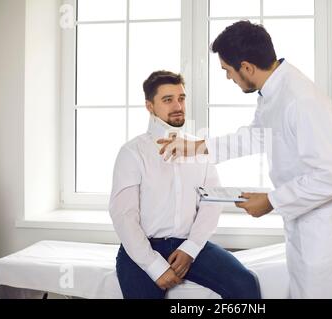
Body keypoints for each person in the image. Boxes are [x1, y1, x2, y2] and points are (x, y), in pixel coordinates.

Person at [158, 21, 332, 298]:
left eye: (228, 71)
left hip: (330, 233)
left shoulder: (301, 100)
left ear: (247, 67)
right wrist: (197, 146)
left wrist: (271, 200)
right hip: (308, 227)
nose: (229, 78)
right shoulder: (274, 90)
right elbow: (257, 136)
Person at [109, 70, 261, 299]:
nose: (178, 105)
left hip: (189, 244)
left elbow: (211, 203)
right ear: (150, 106)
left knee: (245, 284)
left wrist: (190, 248)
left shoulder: (198, 147)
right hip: (143, 249)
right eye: (167, 100)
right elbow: (124, 216)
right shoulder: (132, 152)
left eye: (181, 98)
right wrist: (154, 266)